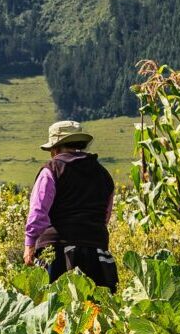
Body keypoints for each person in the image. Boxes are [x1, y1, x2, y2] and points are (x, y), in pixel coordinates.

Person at [25, 120, 117, 291]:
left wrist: (29, 244)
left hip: (57, 250)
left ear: (55, 149)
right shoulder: (103, 174)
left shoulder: (52, 170)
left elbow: (38, 211)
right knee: (95, 310)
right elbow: (105, 216)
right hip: (96, 251)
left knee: (55, 308)